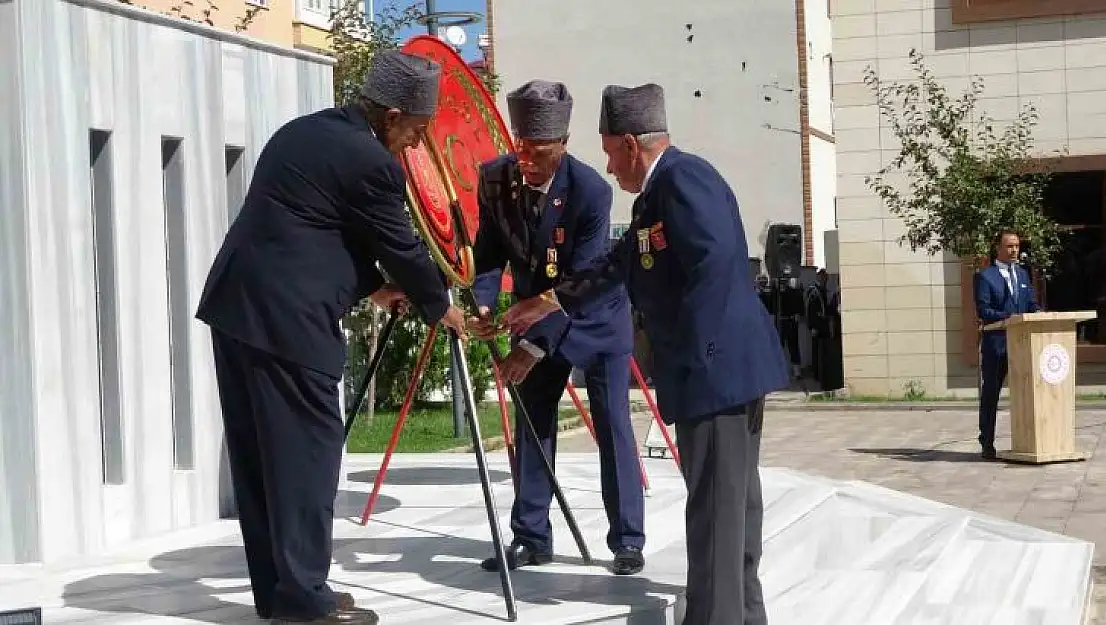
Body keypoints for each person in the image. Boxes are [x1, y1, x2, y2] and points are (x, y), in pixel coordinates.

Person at [195, 50, 468, 625]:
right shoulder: (372, 161)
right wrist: (439, 305)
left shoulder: (305, 132)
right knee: (305, 458)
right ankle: (307, 600)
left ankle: (281, 593)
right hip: (288, 326)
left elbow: (310, 227)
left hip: (237, 310)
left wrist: (372, 288)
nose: (416, 147)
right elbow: (400, 245)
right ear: (392, 116)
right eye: (416, 132)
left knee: (258, 460)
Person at [502, 83, 789, 625]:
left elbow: (717, 265)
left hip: (714, 370)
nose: (609, 166)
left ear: (632, 144)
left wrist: (694, 353)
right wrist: (549, 299)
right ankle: (745, 614)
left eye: (610, 151)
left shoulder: (685, 178)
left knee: (716, 513)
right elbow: (618, 264)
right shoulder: (657, 195)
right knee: (729, 508)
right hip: (717, 369)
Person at [467, 79, 646, 576]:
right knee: (533, 424)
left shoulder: (590, 191)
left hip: (592, 320)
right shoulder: (495, 179)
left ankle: (627, 539)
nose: (525, 159)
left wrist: (534, 343)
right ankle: (530, 536)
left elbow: (582, 281)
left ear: (562, 146)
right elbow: (488, 254)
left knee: (613, 427)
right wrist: (483, 305)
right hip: (533, 314)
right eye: (520, 146)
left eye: (538, 151)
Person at [974, 230, 1041, 460]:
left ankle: (1031, 441)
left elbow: (1031, 303)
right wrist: (1009, 317)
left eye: (1017, 246)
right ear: (998, 248)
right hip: (997, 345)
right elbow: (984, 311)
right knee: (991, 394)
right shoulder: (986, 276)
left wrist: (1039, 314)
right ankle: (987, 442)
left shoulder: (1022, 275)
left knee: (1029, 392)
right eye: (1010, 246)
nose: (1015, 250)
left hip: (1023, 345)